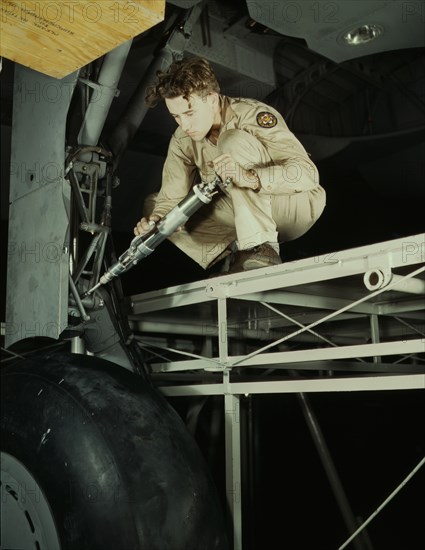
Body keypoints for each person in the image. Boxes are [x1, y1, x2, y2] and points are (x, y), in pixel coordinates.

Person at [134, 57, 326, 274]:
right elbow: (171, 196)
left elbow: (307, 173)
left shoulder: (251, 114)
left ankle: (260, 249)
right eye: (176, 116)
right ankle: (231, 257)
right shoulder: (181, 140)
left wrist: (251, 177)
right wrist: (157, 221)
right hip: (242, 212)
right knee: (155, 205)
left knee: (231, 141)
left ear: (213, 100)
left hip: (293, 206)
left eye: (189, 113)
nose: (184, 125)